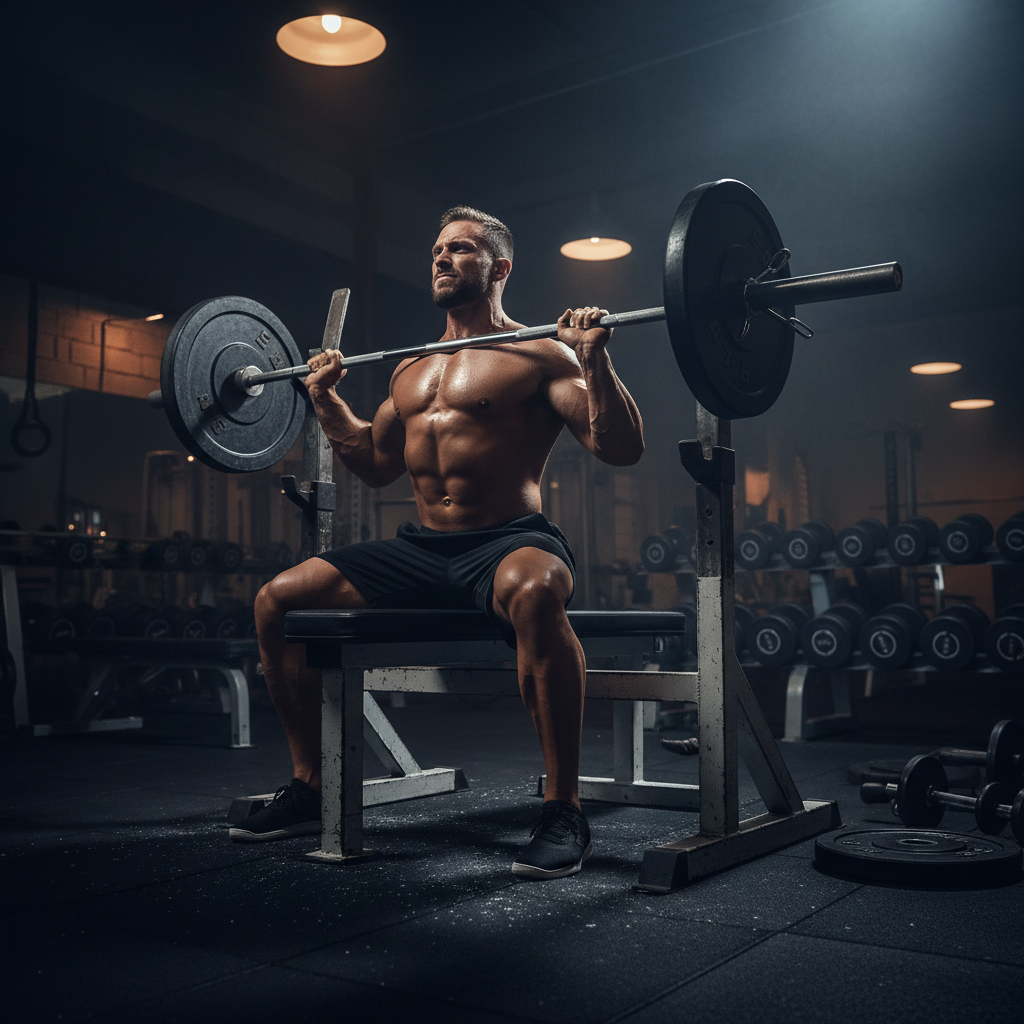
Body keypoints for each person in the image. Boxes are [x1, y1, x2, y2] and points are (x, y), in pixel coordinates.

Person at [231, 206, 644, 879]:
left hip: (509, 541)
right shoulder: (411, 368)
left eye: (461, 249)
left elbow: (619, 449)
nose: (442, 259)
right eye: (436, 251)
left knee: (536, 591)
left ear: (500, 268)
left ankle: (563, 808)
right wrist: (329, 403)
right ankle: (311, 784)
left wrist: (596, 364)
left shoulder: (542, 353)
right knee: (277, 600)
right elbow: (374, 462)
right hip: (423, 550)